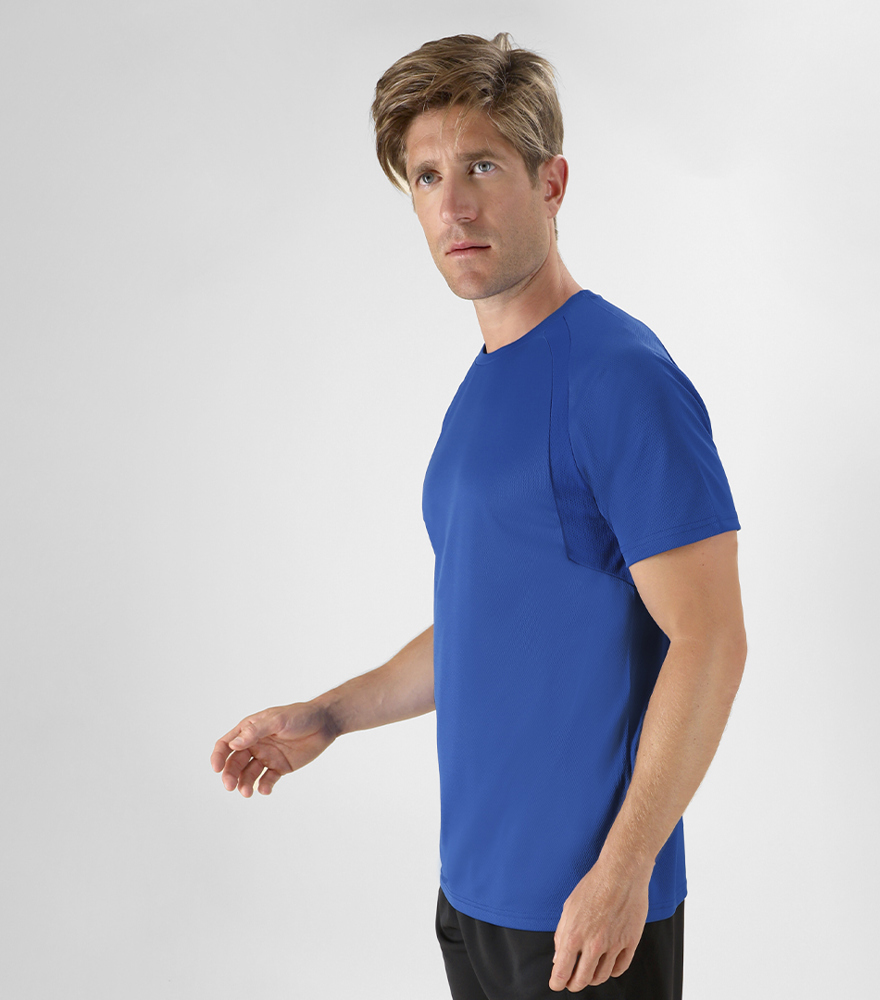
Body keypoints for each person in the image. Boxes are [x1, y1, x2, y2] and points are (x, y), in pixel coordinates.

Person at [210, 32, 747, 1000]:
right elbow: (487, 623)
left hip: (585, 913)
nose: (452, 205)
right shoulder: (485, 385)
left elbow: (710, 640)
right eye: (426, 177)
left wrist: (624, 872)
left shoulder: (618, 377)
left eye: (482, 167)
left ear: (552, 182)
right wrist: (328, 715)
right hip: (474, 894)